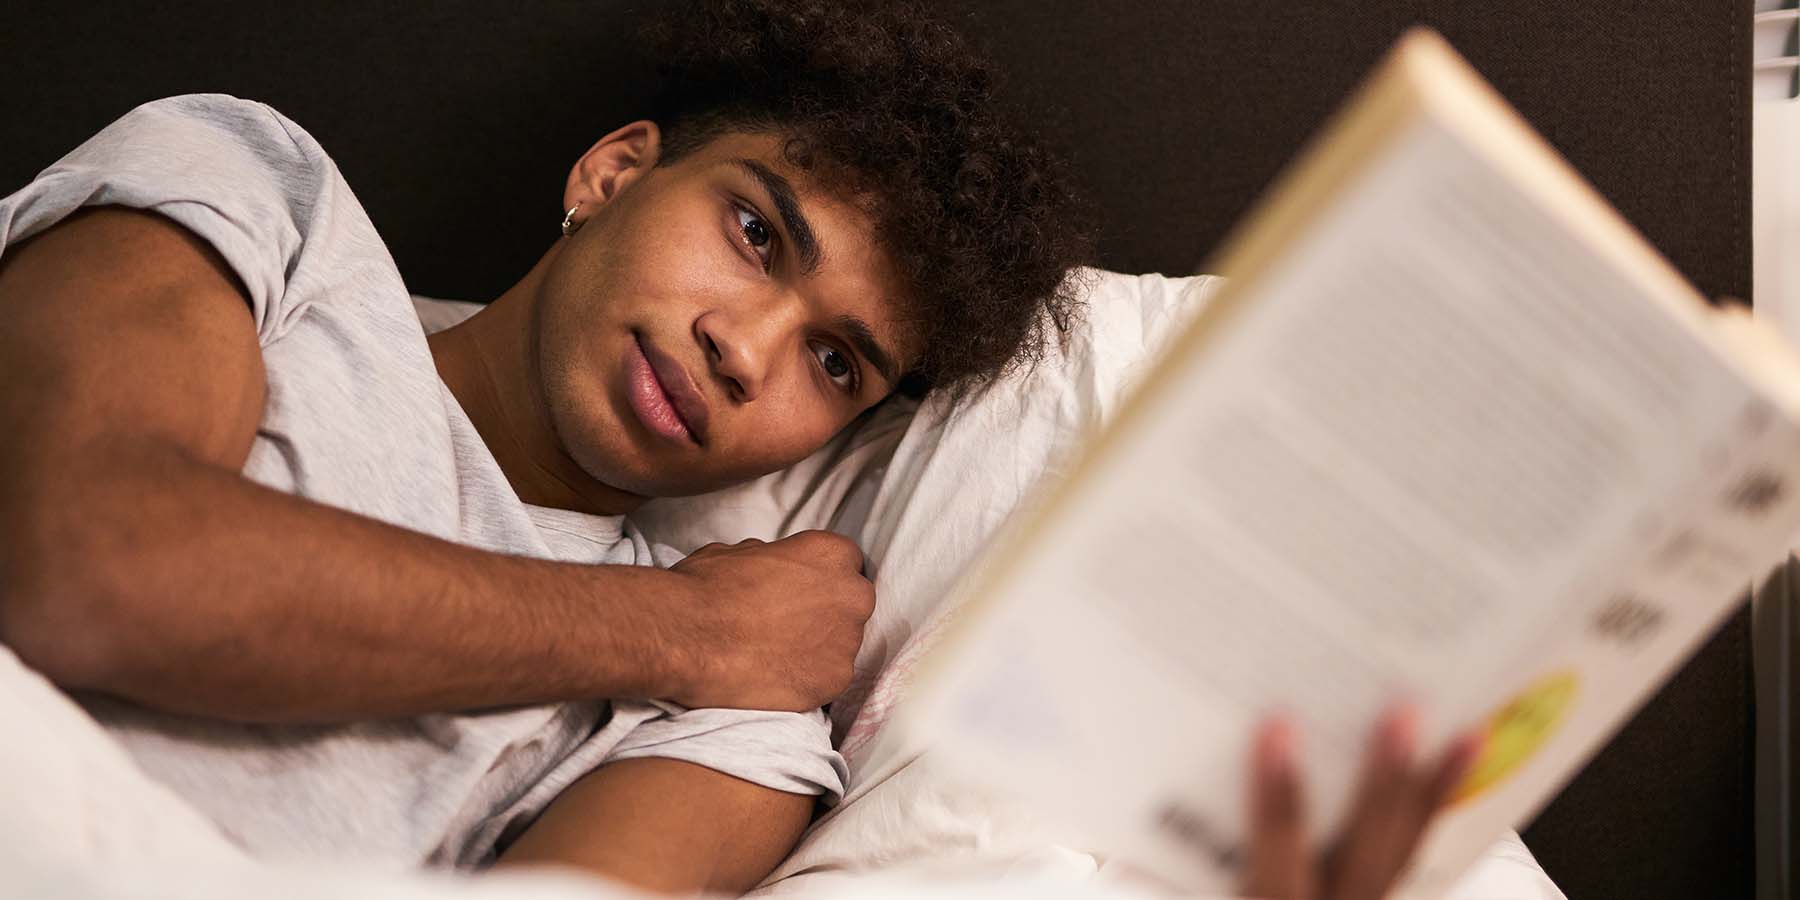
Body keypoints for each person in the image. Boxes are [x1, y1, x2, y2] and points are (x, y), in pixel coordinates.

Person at [0, 0, 1477, 896]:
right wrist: (680, 624)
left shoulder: (742, 724)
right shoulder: (267, 197)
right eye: (756, 233)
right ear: (614, 171)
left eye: (837, 360)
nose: (745, 350)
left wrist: (706, 655)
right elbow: (89, 566)